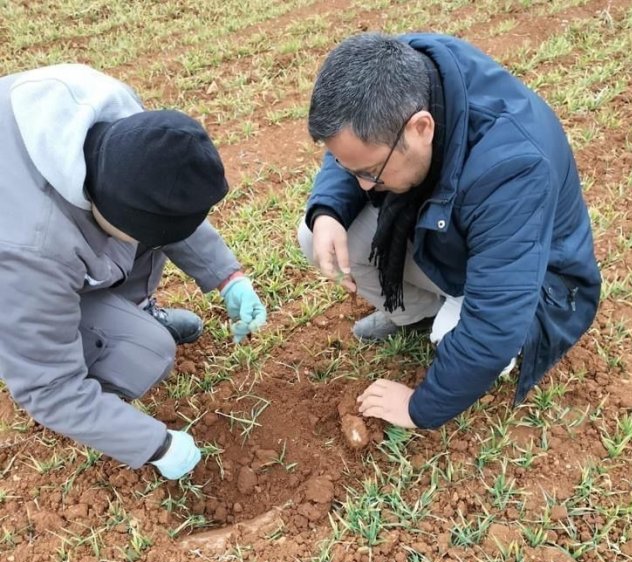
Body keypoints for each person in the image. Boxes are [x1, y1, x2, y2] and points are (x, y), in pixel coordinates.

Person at [299, 33, 601, 429]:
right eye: (353, 170)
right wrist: (328, 212)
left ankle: (455, 326)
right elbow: (351, 147)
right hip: (451, 236)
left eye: (370, 171)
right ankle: (428, 314)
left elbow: (495, 325)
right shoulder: (399, 74)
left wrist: (418, 408)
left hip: (539, 284)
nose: (365, 185)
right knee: (315, 233)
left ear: (421, 127)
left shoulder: (514, 166)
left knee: (469, 340)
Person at [0, 63, 266, 480]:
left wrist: (227, 276)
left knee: (142, 235)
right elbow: (49, 388)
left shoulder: (122, 122)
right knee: (146, 354)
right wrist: (154, 445)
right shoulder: (28, 248)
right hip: (16, 269)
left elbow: (165, 194)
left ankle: (132, 307)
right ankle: (85, 369)